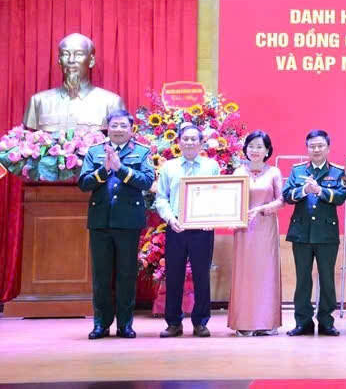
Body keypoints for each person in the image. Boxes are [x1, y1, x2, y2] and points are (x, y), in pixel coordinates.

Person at [78, 109, 154, 339]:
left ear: (131, 129)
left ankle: (125, 324)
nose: (119, 129)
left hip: (128, 222)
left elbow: (147, 181)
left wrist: (120, 169)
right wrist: (105, 170)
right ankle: (101, 324)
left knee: (126, 275)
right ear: (107, 128)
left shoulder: (141, 152)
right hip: (100, 222)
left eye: (123, 126)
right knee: (101, 276)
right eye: (114, 125)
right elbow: (84, 183)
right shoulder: (94, 152)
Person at [154, 123, 221, 338]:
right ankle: (173, 323)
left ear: (202, 143)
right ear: (179, 142)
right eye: (186, 139)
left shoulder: (211, 166)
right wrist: (170, 219)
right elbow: (161, 197)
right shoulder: (168, 167)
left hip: (202, 228)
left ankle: (200, 322)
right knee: (174, 275)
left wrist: (212, 218)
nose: (190, 142)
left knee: (202, 275)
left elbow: (218, 194)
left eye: (195, 139)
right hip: (176, 228)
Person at [282, 129, 346, 337]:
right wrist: (304, 191)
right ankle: (303, 322)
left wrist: (320, 191)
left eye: (320, 146)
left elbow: (341, 196)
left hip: (326, 233)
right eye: (312, 146)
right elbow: (286, 195)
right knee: (302, 279)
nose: (316, 149)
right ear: (307, 148)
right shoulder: (298, 171)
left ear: (328, 148)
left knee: (327, 279)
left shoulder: (337, 172)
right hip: (301, 232)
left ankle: (326, 321)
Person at [228, 130, 284, 336]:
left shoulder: (274, 172)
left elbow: (281, 200)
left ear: (267, 150)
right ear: (245, 149)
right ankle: (244, 322)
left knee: (266, 273)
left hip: (265, 227)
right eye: (251, 146)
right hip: (243, 230)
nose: (255, 150)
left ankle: (267, 322)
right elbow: (231, 200)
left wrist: (261, 209)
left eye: (260, 146)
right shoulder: (238, 172)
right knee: (245, 274)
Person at [23, 32, 124, 132]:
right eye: (65, 54)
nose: (71, 60)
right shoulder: (38, 102)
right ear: (59, 60)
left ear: (91, 61)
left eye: (79, 55)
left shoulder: (111, 103)